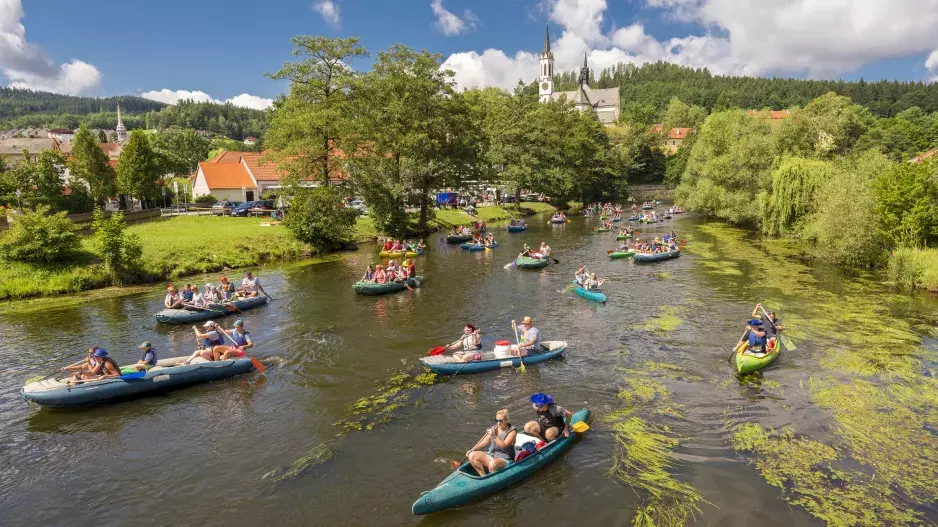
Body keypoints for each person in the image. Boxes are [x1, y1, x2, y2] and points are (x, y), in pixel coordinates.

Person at [466, 409, 517, 476]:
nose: (498, 423)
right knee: (471, 455)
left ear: (507, 420)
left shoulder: (512, 432)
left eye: (501, 421)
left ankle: (493, 478)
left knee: (492, 464)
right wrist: (473, 449)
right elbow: (485, 441)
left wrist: (493, 435)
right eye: (497, 420)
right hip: (491, 455)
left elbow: (503, 445)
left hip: (505, 459)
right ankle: (484, 477)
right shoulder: (494, 428)